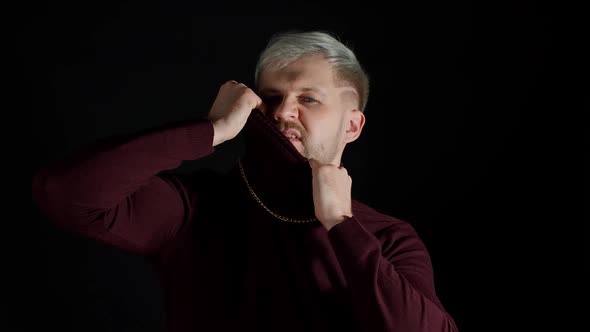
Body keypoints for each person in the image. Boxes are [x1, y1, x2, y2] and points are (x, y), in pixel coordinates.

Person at [32, 30, 459, 332]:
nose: (282, 112)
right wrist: (211, 130)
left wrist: (342, 226)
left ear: (353, 125)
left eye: (308, 99)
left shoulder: (387, 236)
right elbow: (65, 193)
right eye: (271, 98)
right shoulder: (194, 208)